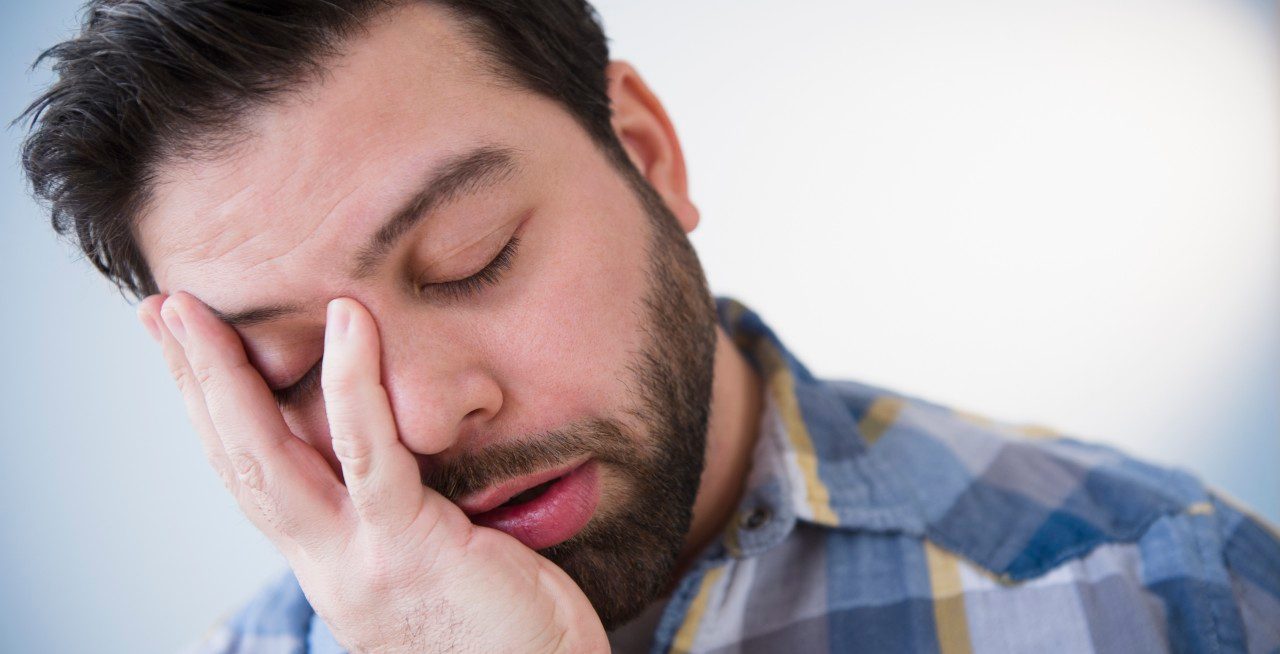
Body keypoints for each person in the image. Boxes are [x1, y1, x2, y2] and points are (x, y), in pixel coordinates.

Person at [17, 1, 1280, 652]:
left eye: (473, 259)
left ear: (643, 151)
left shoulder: (1167, 599)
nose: (412, 415)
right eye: (292, 364)